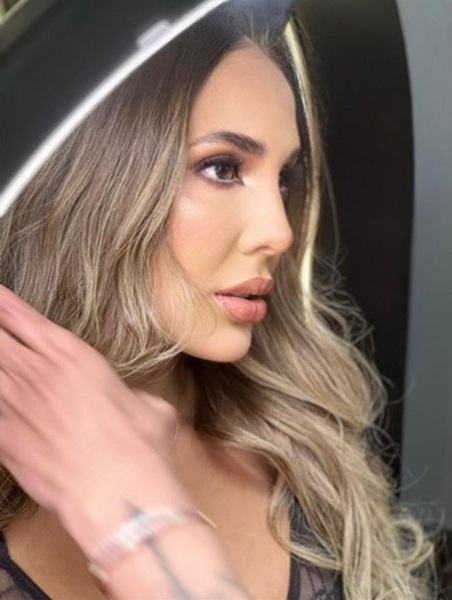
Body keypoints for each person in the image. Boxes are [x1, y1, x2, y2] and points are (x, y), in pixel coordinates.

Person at [0, 3, 435, 599]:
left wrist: (141, 530)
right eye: (223, 167)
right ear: (84, 186)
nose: (280, 232)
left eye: (285, 177)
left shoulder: (304, 440)